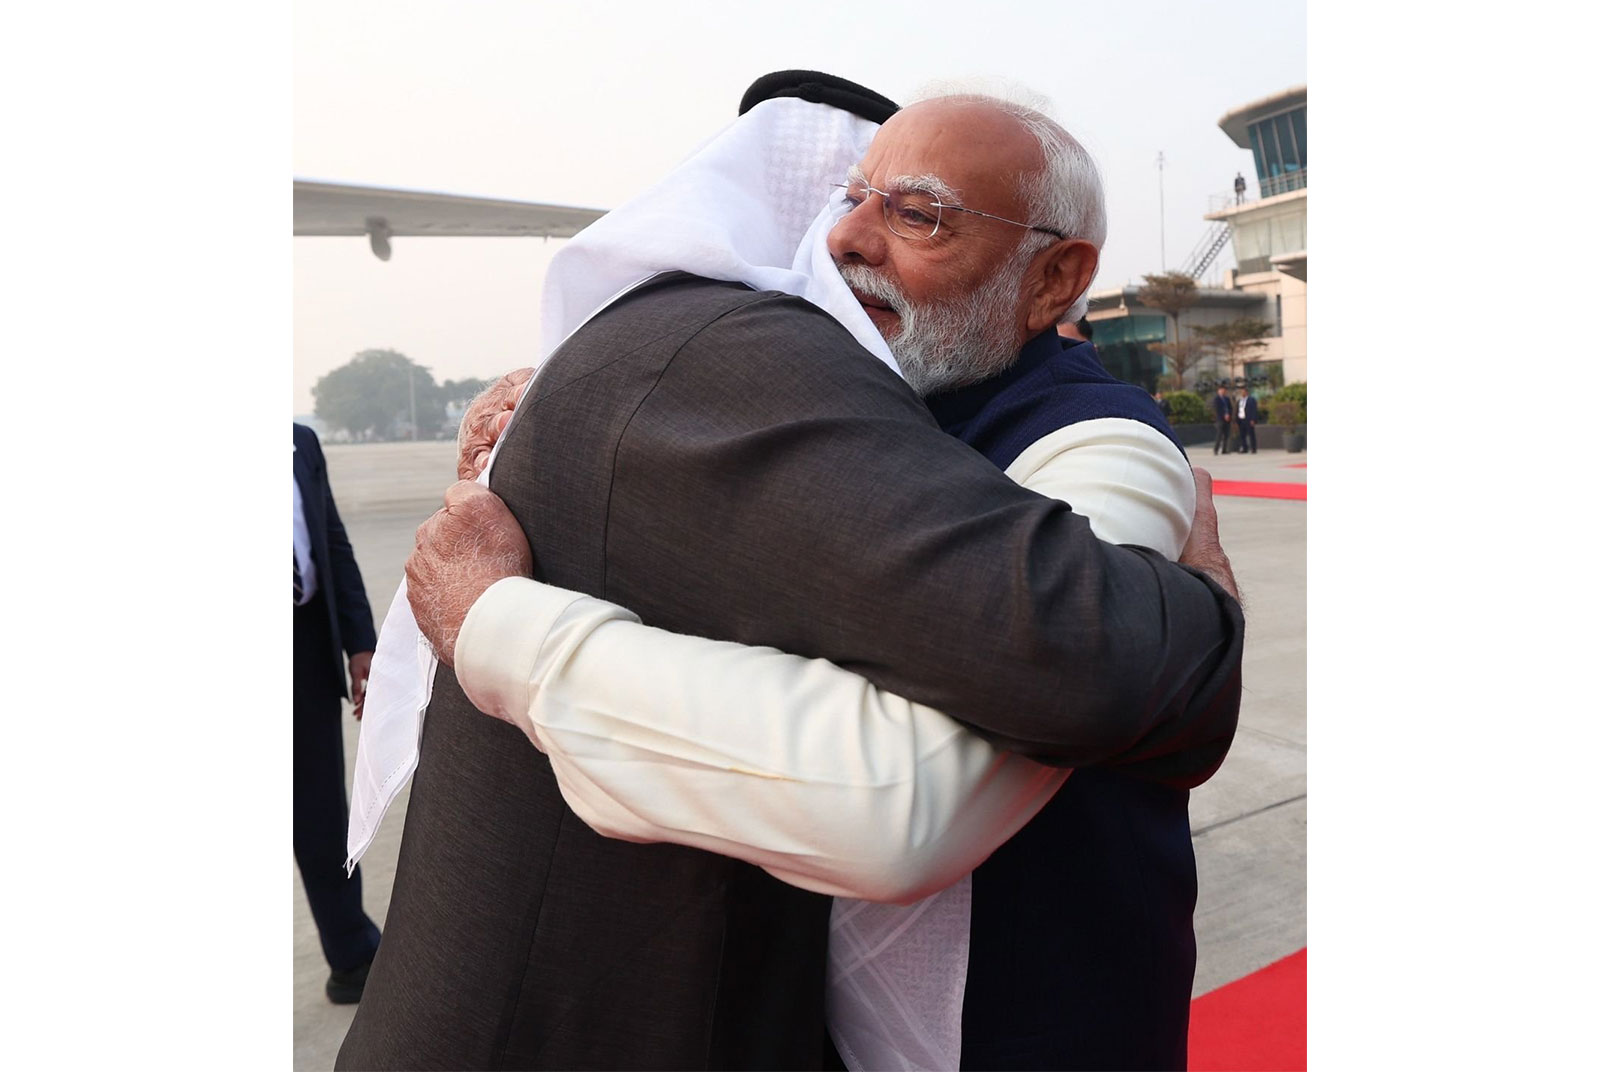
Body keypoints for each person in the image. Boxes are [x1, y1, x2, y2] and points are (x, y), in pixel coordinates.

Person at [339, 76, 1242, 1070]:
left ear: (1055, 279)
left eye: (918, 214)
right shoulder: (862, 412)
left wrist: (502, 629)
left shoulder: (1103, 447)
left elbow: (913, 801)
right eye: (848, 200)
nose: (849, 240)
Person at [293, 423, 381, 1004]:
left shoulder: (299, 442)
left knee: (322, 816)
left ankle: (352, 957)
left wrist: (359, 644)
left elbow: (331, 542)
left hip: (302, 649)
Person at [1236, 384, 1260, 453]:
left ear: (1246, 392)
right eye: (1241, 392)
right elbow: (1238, 410)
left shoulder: (1251, 400)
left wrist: (1253, 419)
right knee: (1242, 435)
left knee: (1251, 434)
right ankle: (1244, 448)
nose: (1242, 393)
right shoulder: (1240, 400)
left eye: (1243, 392)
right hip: (1241, 419)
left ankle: (1253, 448)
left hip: (1248, 419)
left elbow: (1254, 410)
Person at [1213, 382, 1235, 454]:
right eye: (1221, 390)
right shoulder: (1217, 399)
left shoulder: (1227, 399)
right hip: (1220, 420)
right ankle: (1216, 449)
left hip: (1227, 419)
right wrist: (1223, 416)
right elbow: (1217, 410)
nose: (1223, 391)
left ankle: (1224, 450)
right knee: (1219, 435)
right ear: (1218, 391)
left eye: (1224, 390)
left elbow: (1230, 408)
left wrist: (1229, 416)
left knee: (1226, 435)